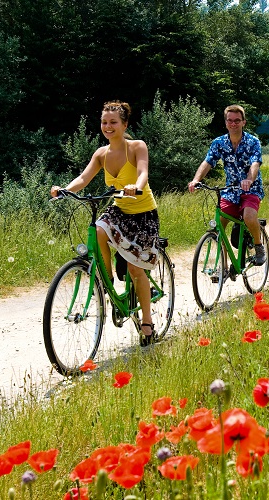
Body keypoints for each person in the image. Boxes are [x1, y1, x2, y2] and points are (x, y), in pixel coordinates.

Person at [51, 101, 160, 346]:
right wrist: (65, 190)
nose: (107, 126)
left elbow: (143, 172)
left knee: (135, 270)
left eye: (113, 122)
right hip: (120, 209)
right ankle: (107, 280)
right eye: (104, 122)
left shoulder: (136, 147)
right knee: (99, 228)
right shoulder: (101, 153)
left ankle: (147, 319)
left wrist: (137, 187)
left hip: (143, 214)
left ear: (124, 125)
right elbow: (83, 178)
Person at [188, 104, 266, 265]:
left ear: (244, 122)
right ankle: (223, 265)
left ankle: (259, 246)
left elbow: (255, 164)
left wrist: (249, 180)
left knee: (249, 216)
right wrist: (196, 180)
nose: (233, 124)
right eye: (230, 120)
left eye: (237, 120)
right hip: (230, 190)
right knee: (219, 225)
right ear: (225, 123)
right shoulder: (219, 143)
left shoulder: (253, 142)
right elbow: (208, 162)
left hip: (251, 189)